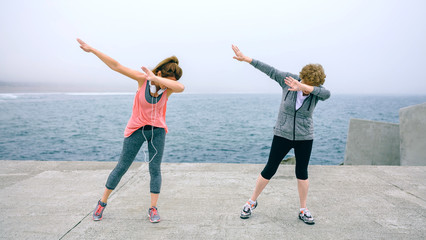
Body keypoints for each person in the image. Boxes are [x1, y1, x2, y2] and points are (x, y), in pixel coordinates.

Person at [77, 39, 184, 223]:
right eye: (167, 79)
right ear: (159, 72)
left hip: (157, 131)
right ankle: (102, 203)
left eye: (170, 82)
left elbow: (181, 87)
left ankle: (153, 208)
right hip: (136, 129)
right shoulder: (142, 80)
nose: (168, 84)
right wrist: (93, 50)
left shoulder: (168, 88)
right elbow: (116, 66)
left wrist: (158, 80)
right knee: (122, 167)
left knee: (155, 169)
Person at [231, 45, 330, 225]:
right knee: (269, 169)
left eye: (311, 87)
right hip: (282, 134)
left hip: (304, 137)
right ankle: (251, 201)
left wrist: (305, 87)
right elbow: (269, 70)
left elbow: (326, 94)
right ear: (302, 77)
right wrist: (246, 59)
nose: (306, 91)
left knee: (302, 172)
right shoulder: (288, 80)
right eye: (305, 84)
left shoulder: (317, 92)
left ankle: (303, 209)